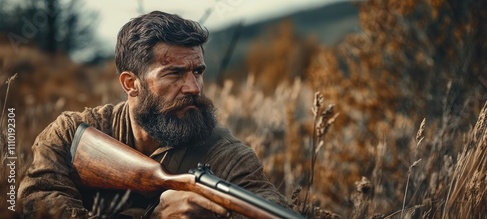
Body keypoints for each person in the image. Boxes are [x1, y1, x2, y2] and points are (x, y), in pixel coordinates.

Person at [18, 11, 290, 218]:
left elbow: (269, 204)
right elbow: (35, 200)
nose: (194, 87)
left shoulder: (226, 154)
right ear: (130, 83)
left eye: (198, 71)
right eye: (174, 73)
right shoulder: (71, 134)